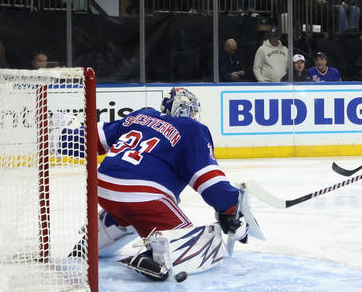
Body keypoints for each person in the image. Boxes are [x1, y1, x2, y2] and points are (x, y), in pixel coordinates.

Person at [68, 87, 262, 281]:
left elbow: (92, 137)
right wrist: (231, 208)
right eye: (192, 111)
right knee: (195, 242)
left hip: (102, 186)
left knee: (132, 213)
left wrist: (61, 136)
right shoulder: (192, 129)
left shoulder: (140, 116)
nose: (194, 116)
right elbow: (210, 181)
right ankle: (156, 258)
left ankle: (93, 240)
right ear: (184, 109)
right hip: (143, 195)